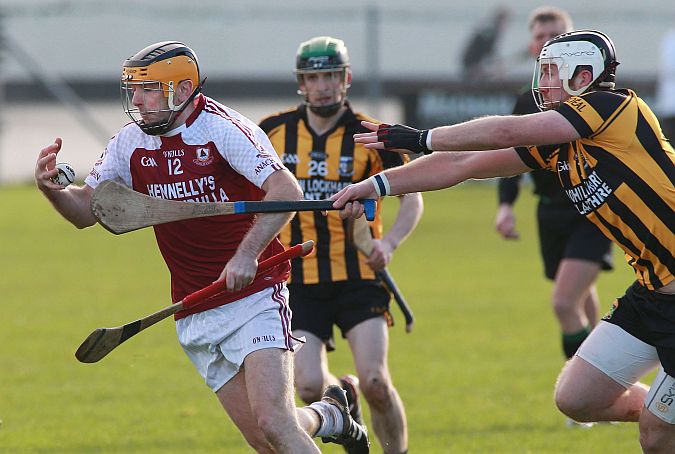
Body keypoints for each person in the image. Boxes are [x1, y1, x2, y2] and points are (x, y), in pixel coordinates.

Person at [333, 30, 675, 453]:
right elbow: (462, 164)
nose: (543, 82)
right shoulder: (559, 147)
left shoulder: (614, 106)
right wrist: (378, 184)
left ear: (584, 74)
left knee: (657, 436)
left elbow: (501, 133)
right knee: (578, 398)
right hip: (653, 293)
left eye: (552, 72)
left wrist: (420, 137)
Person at [34, 41, 370, 454]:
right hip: (194, 307)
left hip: (255, 293)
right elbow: (87, 210)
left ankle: (327, 416)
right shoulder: (130, 143)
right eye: (134, 91)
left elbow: (284, 189)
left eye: (149, 90)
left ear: (181, 89)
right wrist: (53, 191)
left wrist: (247, 254)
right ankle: (332, 416)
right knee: (266, 440)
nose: (137, 101)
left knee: (276, 423)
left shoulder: (222, 129)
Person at [259, 36, 423, 454]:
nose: (324, 85)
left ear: (346, 79)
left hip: (360, 277)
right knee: (309, 385)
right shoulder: (271, 132)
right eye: (314, 77)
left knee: (375, 382)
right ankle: (341, 406)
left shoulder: (370, 134)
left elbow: (412, 196)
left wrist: (391, 242)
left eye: (331, 75)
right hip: (296, 280)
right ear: (302, 83)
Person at [495, 7, 614, 400]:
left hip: (591, 207)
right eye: (542, 36)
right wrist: (506, 206)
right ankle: (604, 376)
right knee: (580, 298)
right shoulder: (525, 102)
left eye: (557, 34)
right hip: (549, 209)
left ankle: (588, 391)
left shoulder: (596, 98)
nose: (548, 42)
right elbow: (506, 158)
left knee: (564, 302)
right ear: (531, 45)